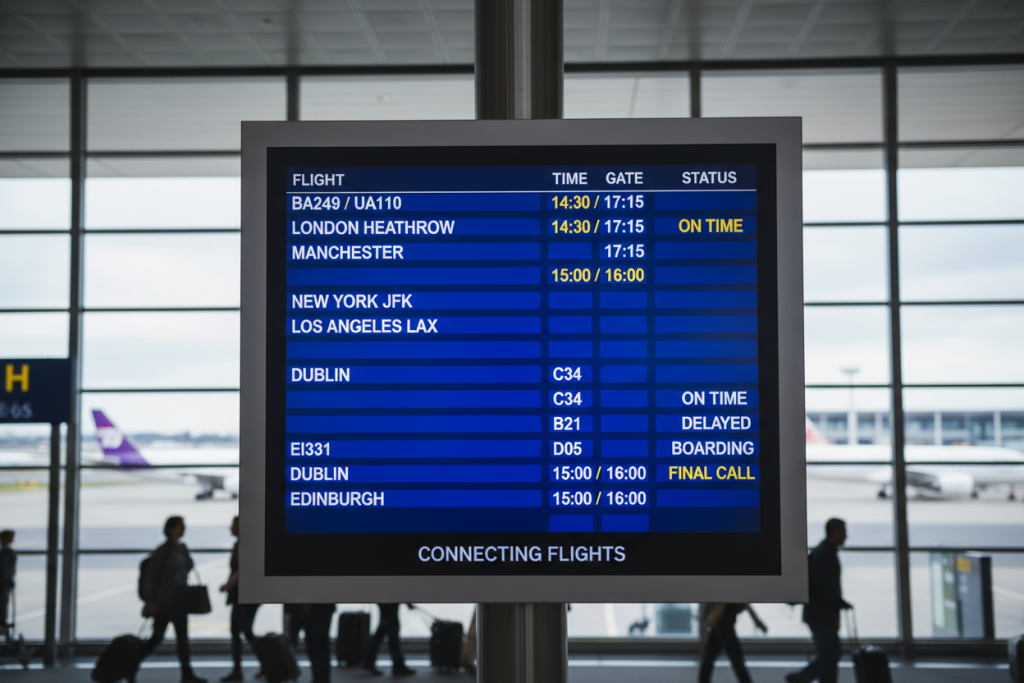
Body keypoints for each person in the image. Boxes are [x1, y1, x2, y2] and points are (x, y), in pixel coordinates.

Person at [138, 516, 206, 683]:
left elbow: (188, 568)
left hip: (179, 602)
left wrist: (186, 553)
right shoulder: (163, 551)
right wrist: (151, 601)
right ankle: (131, 665)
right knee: (157, 638)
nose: (184, 529)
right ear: (171, 529)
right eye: (180, 526)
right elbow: (151, 578)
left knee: (181, 639)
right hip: (165, 603)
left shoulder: (179, 549)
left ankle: (187, 674)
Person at [785, 518, 852, 683]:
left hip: (819, 613)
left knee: (829, 654)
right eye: (843, 531)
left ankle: (807, 678)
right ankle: (800, 678)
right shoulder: (825, 554)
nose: (846, 535)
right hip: (822, 615)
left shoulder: (822, 552)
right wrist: (839, 602)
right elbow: (824, 587)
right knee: (831, 654)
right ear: (835, 532)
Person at [219, 516, 260, 682]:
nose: (231, 529)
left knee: (243, 630)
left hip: (246, 594)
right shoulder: (241, 545)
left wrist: (228, 584)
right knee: (239, 630)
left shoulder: (246, 546)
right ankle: (242, 667)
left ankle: (264, 660)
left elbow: (242, 569)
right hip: (241, 593)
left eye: (234, 526)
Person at [698, 603, 766, 683]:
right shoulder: (732, 595)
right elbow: (720, 605)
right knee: (736, 659)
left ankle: (704, 679)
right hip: (723, 625)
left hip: (720, 624)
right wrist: (710, 621)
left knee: (710, 658)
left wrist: (757, 621)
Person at [363, 603, 416, 676]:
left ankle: (369, 662)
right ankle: (398, 666)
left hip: (386, 602)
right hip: (390, 603)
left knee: (384, 632)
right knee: (391, 634)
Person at [301, 604, 336, 683]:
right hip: (322, 607)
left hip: (320, 608)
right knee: (316, 647)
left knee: (318, 647)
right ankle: (319, 678)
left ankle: (321, 679)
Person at [0, 530, 15, 637]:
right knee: (3, 602)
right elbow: (6, 569)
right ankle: (2, 623)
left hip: (3, 582)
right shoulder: (6, 553)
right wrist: (9, 581)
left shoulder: (4, 552)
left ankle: (2, 623)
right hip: (3, 583)